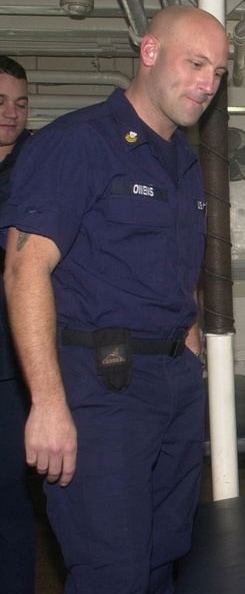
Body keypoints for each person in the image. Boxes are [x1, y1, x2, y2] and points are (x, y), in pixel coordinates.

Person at [1, 5, 228, 593]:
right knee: (113, 571)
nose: (208, 82)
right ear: (149, 53)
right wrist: (47, 404)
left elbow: (179, 272)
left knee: (162, 554)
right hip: (102, 390)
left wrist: (192, 344)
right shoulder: (77, 142)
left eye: (219, 72)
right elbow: (25, 269)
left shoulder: (181, 160)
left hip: (172, 385)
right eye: (196, 63)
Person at [0, 55, 34, 594]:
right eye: (0, 101)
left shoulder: (40, 166)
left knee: (11, 497)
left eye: (20, 103)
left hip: (13, 364)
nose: (10, 112)